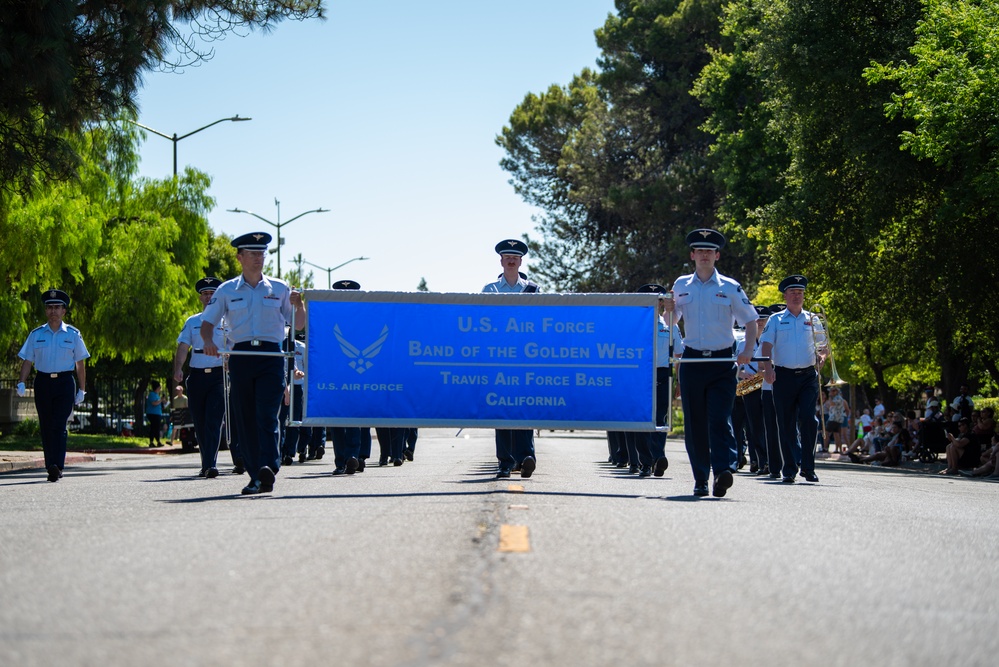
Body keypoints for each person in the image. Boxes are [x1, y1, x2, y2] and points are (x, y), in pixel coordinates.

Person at [201, 232, 306, 495]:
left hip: (271, 357)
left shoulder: (280, 289)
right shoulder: (226, 290)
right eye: (253, 254)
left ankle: (268, 467)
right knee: (245, 418)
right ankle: (255, 473)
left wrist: (299, 305)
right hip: (242, 357)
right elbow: (207, 324)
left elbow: (299, 324)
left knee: (267, 415)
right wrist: (209, 342)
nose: (259, 258)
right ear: (240, 257)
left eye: (262, 253)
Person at [661, 229, 758, 497]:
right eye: (699, 251)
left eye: (709, 251)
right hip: (692, 361)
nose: (704, 255)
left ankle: (723, 469)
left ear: (717, 255)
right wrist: (669, 311)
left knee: (719, 417)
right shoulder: (681, 285)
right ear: (692, 255)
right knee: (695, 423)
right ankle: (701, 478)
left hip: (721, 361)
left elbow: (751, 321)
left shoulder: (730, 286)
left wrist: (747, 350)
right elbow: (671, 324)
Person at [16, 289, 90, 482]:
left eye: (57, 307)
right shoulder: (36, 334)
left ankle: (57, 465)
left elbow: (80, 363)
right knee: (46, 425)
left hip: (65, 382)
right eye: (49, 307)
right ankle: (51, 465)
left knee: (59, 424)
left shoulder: (73, 334)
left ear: (64, 311)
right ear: (45, 311)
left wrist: (82, 389)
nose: (53, 311)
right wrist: (21, 382)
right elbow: (27, 360)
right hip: (43, 382)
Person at [760, 275, 828, 483]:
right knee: (786, 423)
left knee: (809, 420)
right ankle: (789, 468)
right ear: (785, 295)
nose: (797, 296)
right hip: (784, 376)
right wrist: (768, 368)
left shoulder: (813, 319)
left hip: (808, 376)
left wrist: (822, 357)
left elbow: (823, 346)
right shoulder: (776, 319)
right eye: (793, 292)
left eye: (800, 292)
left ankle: (808, 467)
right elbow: (766, 346)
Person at [483, 239, 539, 479]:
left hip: (525, 358)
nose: (511, 260)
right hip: (499, 358)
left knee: (524, 408)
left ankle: (526, 457)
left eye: (515, 257)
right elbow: (483, 323)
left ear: (521, 261)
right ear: (501, 260)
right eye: (507, 256)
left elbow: (540, 322)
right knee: (503, 410)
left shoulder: (533, 290)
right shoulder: (490, 290)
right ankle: (505, 461)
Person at [173, 277, 228, 478]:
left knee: (213, 420)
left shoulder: (227, 321)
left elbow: (234, 346)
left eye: (212, 293)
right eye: (205, 293)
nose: (209, 296)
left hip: (218, 377)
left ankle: (210, 464)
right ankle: (206, 463)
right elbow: (182, 347)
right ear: (200, 298)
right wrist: (178, 369)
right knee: (200, 422)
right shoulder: (192, 322)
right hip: (196, 377)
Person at [738, 305, 772, 475]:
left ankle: (769, 459)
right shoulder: (744, 342)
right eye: (757, 320)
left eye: (763, 320)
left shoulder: (773, 338)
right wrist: (742, 373)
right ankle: (759, 460)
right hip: (751, 385)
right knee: (754, 426)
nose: (759, 323)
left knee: (769, 423)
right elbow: (735, 364)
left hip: (768, 384)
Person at [821, 385, 851, 454]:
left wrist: (830, 396)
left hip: (834, 418)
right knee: (836, 434)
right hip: (837, 418)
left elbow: (831, 404)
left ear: (836, 392)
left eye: (832, 391)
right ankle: (839, 449)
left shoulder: (837, 398)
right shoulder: (837, 398)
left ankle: (825, 448)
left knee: (826, 433)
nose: (831, 392)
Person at [145, 380, 166, 447]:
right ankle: (151, 441)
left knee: (157, 427)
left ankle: (158, 441)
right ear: (157, 388)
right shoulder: (152, 394)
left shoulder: (157, 395)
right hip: (153, 413)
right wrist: (161, 400)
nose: (160, 389)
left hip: (157, 413)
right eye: (159, 388)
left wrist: (163, 402)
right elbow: (154, 403)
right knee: (154, 427)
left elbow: (159, 403)